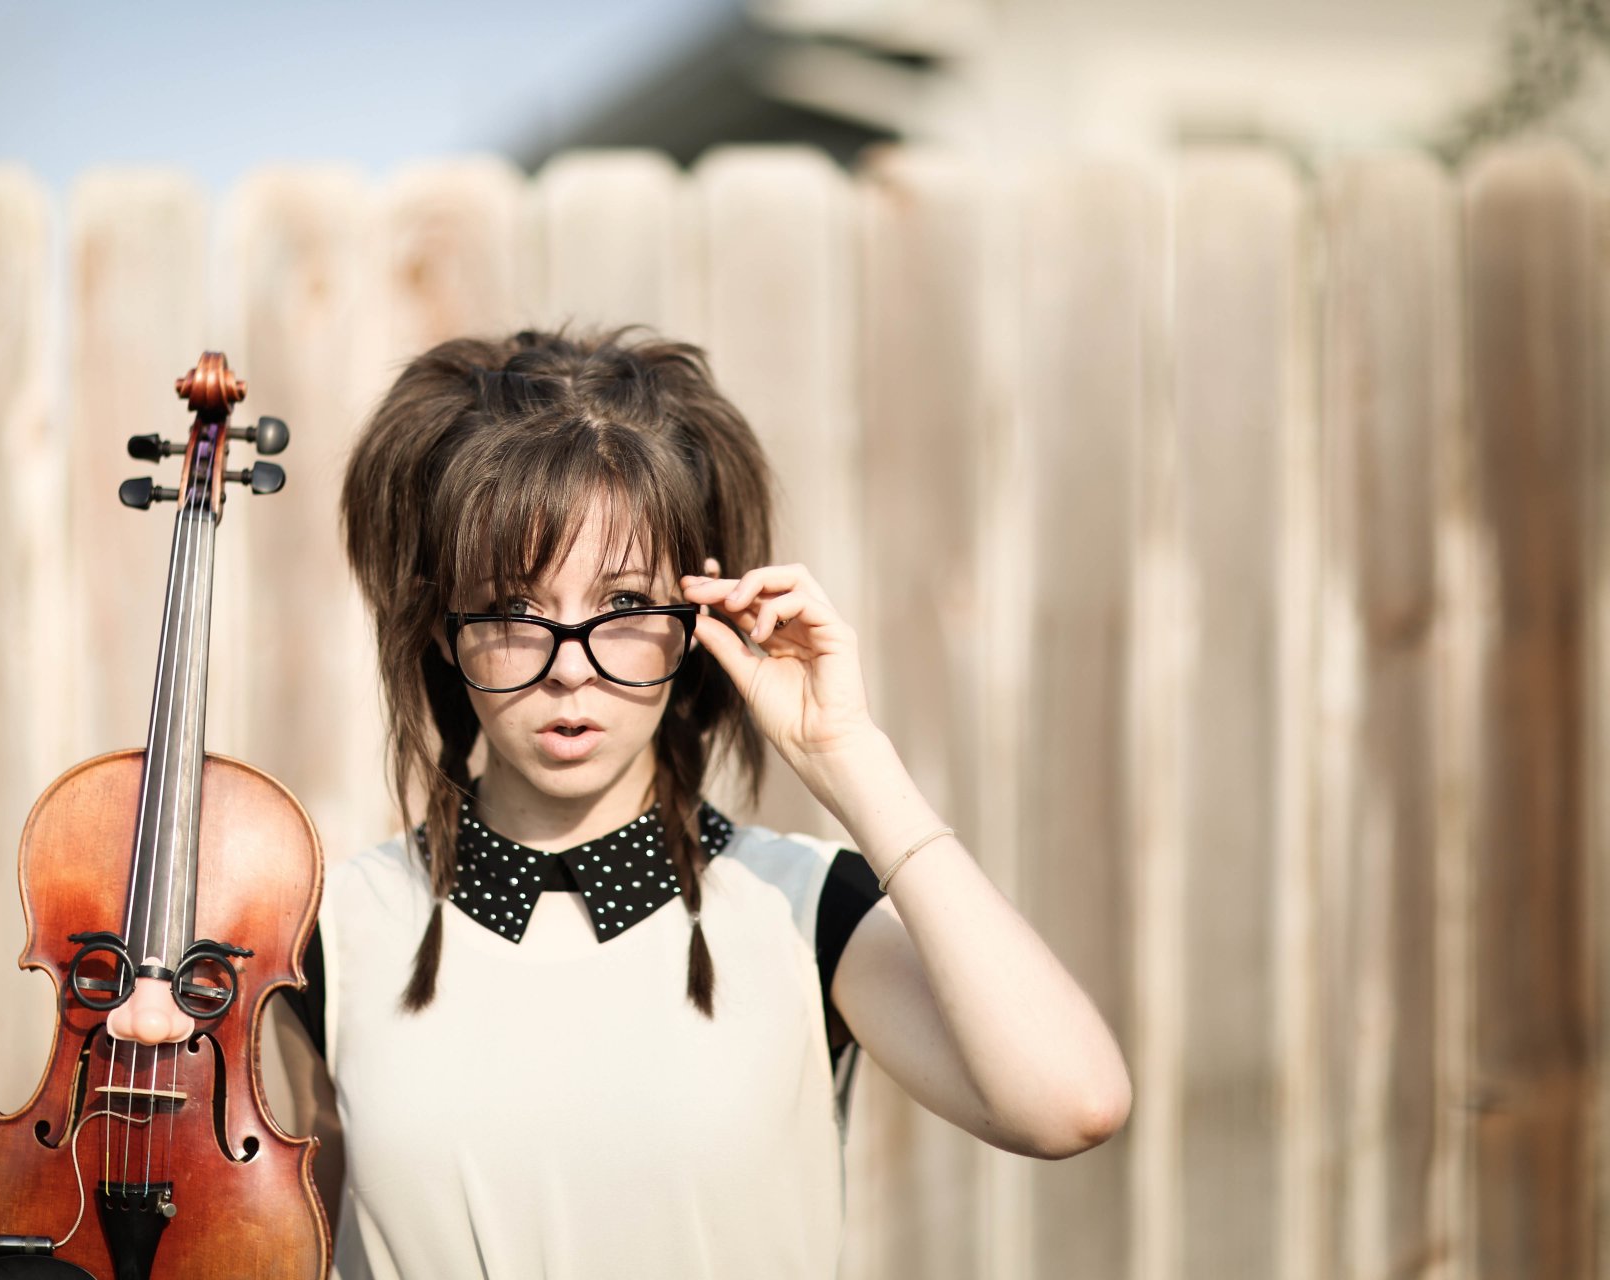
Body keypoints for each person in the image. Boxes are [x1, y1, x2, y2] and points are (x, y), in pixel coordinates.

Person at [269, 325, 1131, 1277]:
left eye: (624, 607)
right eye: (514, 610)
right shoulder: (321, 936)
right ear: (443, 628)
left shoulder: (805, 907)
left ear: (696, 620)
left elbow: (1071, 1105)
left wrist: (848, 756)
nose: (569, 670)